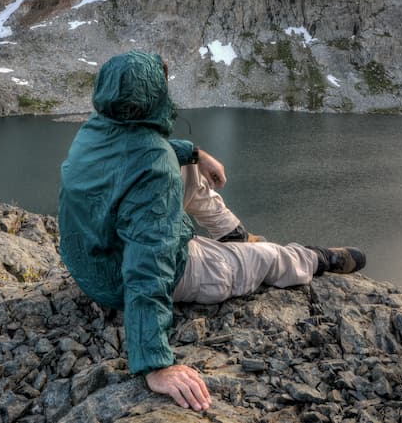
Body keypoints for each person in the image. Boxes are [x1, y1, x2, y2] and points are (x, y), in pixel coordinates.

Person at [59, 50, 365, 411]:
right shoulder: (154, 167)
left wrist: (196, 153)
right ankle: (313, 257)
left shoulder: (94, 129)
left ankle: (233, 235)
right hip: (124, 277)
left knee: (183, 165)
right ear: (152, 97)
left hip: (91, 261)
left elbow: (133, 150)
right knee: (265, 257)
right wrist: (154, 363)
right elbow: (148, 267)